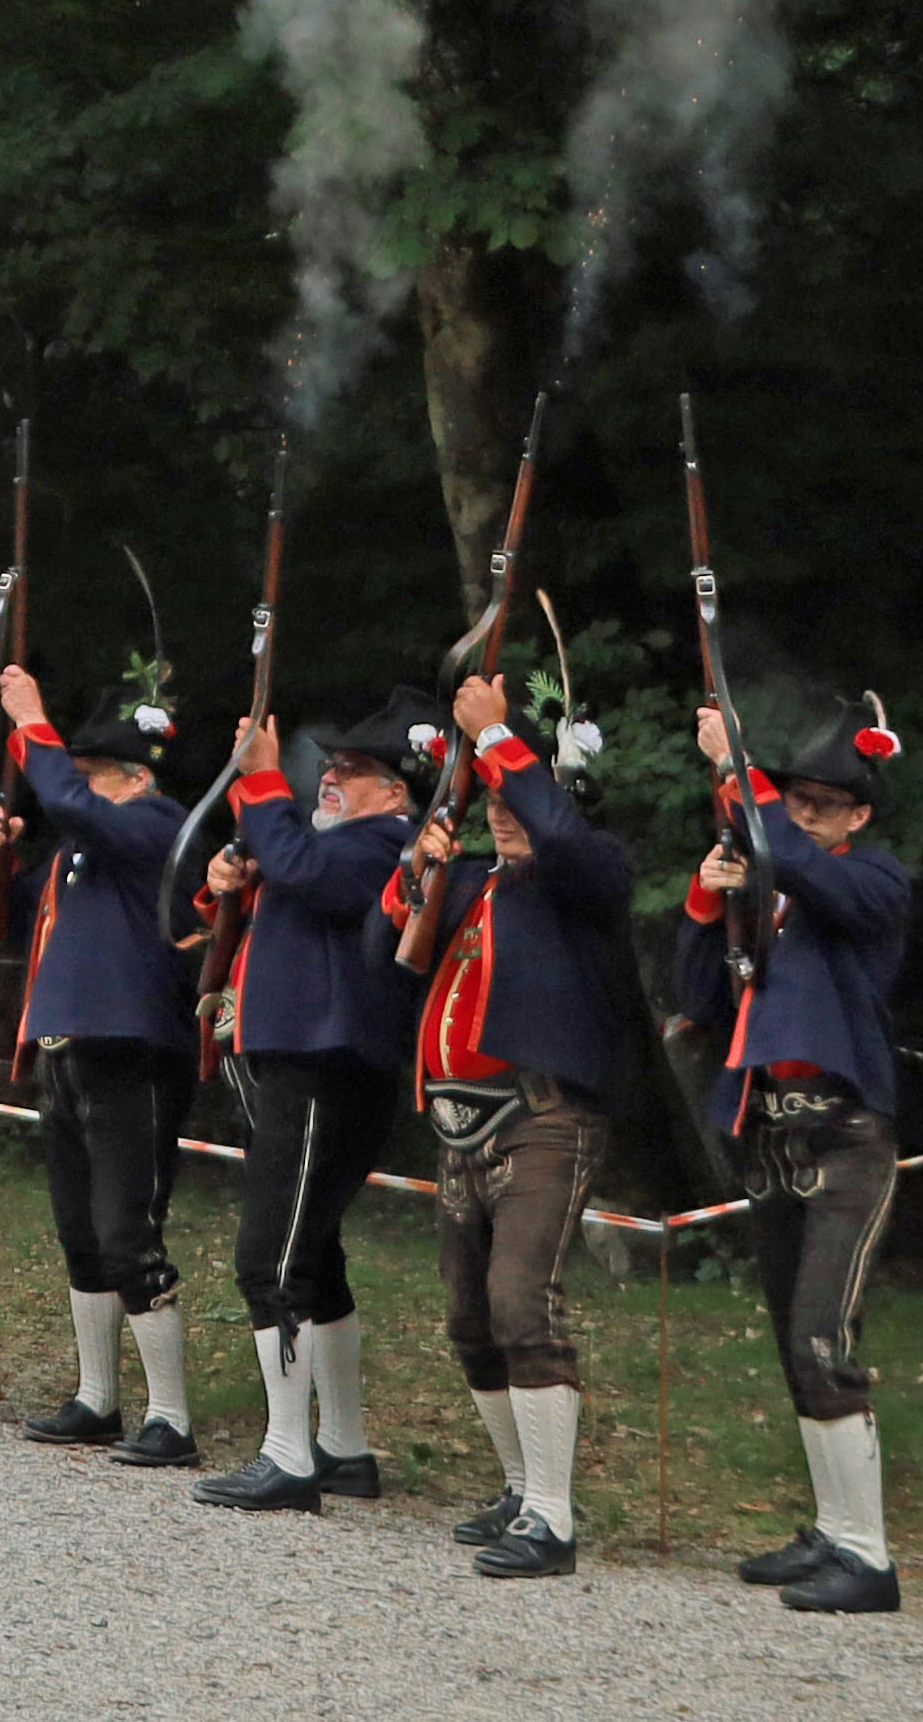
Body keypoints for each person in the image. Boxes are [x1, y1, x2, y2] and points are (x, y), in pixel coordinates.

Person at [384, 669, 639, 1578]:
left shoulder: (588, 873)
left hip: (544, 1117)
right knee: (470, 1316)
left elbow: (562, 839)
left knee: (521, 1302)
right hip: (462, 1122)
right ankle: (521, 1488)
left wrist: (496, 738)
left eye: (515, 798)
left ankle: (553, 1519)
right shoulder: (472, 884)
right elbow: (389, 949)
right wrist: (419, 869)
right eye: (491, 800)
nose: (502, 812)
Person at [679, 694, 915, 1615]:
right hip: (772, 1132)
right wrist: (708, 901)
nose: (806, 815)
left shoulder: (873, 880)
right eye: (799, 801)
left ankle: (870, 1557)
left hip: (846, 1135)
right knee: (794, 1342)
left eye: (824, 805)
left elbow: (813, 873)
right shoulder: (769, 893)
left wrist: (742, 777)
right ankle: (834, 1529)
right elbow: (696, 995)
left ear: (859, 817)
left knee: (823, 1337)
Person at [187, 686, 427, 1512]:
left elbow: (307, 872)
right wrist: (235, 874)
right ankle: (344, 1449)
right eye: (334, 764)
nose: (331, 776)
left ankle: (288, 1456)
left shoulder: (385, 843)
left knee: (272, 1261)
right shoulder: (335, 845)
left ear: (394, 793)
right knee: (314, 1260)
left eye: (354, 770)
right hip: (302, 1064)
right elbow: (287, 877)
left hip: (328, 1068)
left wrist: (260, 781)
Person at [0, 669, 200, 1467]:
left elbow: (70, 806)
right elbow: (22, 920)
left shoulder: (158, 823)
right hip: (67, 1045)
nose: (75, 788)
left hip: (130, 1048)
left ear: (136, 779)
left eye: (93, 773)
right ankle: (97, 1397)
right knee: (81, 1235)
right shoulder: (84, 847)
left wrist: (32, 725)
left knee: (128, 1235)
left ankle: (171, 1416)